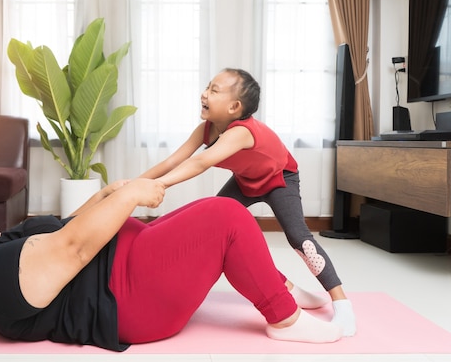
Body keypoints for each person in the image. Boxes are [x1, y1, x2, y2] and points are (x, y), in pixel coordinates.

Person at [0, 178, 343, 352]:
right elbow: (76, 248)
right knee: (228, 218)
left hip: (127, 266)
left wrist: (112, 192)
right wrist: (129, 196)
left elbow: (68, 227)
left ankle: (276, 285)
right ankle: (282, 317)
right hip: (128, 295)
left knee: (214, 207)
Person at [138, 68, 356, 337]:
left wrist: (160, 185)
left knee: (300, 238)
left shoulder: (241, 132)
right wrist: (136, 183)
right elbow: (174, 160)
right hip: (245, 181)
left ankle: (341, 302)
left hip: (280, 179)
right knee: (211, 229)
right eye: (207, 87)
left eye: (214, 90)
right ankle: (287, 289)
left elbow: (201, 162)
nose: (204, 93)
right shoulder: (206, 130)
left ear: (234, 106)